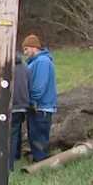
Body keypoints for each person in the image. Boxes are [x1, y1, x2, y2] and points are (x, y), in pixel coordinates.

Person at [20, 34, 57, 163]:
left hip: (40, 107)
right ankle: (38, 160)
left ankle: (41, 163)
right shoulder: (36, 62)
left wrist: (32, 101)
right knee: (35, 137)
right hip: (37, 107)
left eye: (26, 49)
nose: (25, 53)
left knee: (39, 138)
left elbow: (39, 86)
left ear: (33, 47)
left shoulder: (42, 62)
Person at [8, 53, 31, 169]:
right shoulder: (25, 67)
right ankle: (17, 155)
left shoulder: (6, 68)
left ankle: (9, 164)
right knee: (16, 130)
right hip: (23, 105)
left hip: (11, 105)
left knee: (10, 134)